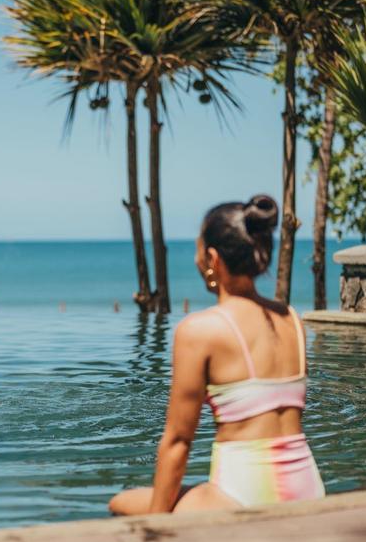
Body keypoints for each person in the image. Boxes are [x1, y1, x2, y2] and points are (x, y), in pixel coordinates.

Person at [109, 194, 325, 515]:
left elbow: (178, 443)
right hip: (308, 487)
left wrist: (156, 529)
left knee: (121, 503)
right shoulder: (292, 320)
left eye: (197, 252)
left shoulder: (200, 331)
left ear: (212, 258)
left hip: (245, 494)